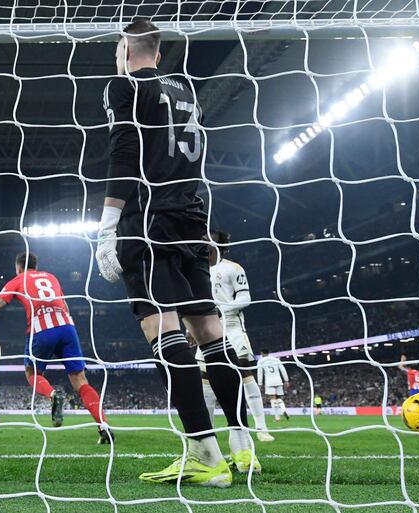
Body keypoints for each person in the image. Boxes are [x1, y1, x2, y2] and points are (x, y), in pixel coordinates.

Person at [95, 19, 252, 486]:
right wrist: (200, 223)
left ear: (126, 49)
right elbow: (193, 158)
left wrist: (107, 229)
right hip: (189, 217)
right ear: (159, 54)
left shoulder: (122, 86)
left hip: (147, 219)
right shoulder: (184, 90)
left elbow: (124, 155)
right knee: (208, 329)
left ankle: (206, 456)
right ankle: (242, 449)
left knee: (162, 330)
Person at [0, 252, 113, 444]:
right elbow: (65, 306)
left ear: (18, 268)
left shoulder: (19, 279)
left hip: (41, 328)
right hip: (67, 326)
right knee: (80, 380)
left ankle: (53, 395)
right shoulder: (51, 277)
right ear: (35, 266)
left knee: (32, 373)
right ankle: (104, 427)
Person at [205, 229, 273, 442]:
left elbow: (246, 298)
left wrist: (221, 309)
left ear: (221, 245)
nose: (206, 242)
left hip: (232, 326)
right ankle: (208, 433)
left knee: (244, 373)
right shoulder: (195, 272)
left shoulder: (232, 268)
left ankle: (261, 428)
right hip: (205, 329)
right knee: (205, 380)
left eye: (211, 239)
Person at [257, 349, 290, 422]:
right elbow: (283, 370)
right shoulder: (276, 359)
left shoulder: (261, 361)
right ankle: (284, 410)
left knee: (273, 399)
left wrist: (260, 384)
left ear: (262, 353)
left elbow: (260, 373)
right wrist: (286, 380)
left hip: (269, 382)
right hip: (278, 380)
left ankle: (277, 417)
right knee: (278, 398)